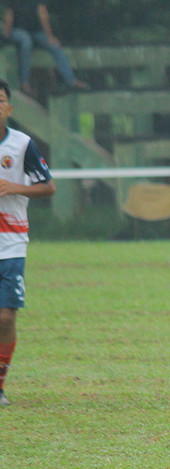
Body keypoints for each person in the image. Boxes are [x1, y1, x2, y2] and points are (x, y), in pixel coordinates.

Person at [0, 76, 56, 406]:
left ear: (9, 108)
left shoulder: (22, 145)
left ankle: (0, 384)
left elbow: (48, 186)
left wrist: (14, 187)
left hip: (11, 242)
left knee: (6, 317)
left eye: (0, 100)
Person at [2, 1, 88, 97]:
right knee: (26, 41)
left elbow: (42, 13)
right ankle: (24, 83)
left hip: (36, 31)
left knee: (55, 47)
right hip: (17, 30)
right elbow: (9, 14)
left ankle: (71, 80)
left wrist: (50, 36)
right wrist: (7, 33)